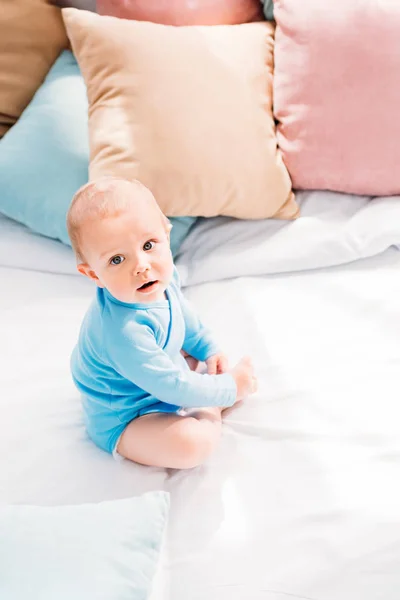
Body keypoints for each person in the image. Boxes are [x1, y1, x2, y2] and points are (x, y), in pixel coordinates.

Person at [67, 177, 257, 469]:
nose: (141, 266)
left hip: (154, 379)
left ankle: (200, 389)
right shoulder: (123, 332)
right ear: (93, 274)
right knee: (190, 446)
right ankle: (211, 405)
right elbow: (171, 387)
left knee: (185, 355)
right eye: (117, 259)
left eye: (148, 244)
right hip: (128, 413)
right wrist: (229, 388)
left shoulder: (160, 279)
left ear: (166, 235)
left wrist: (207, 348)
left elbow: (181, 314)